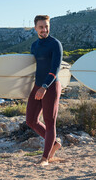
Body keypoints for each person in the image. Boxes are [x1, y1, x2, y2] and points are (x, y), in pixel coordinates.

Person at [26, 15, 63, 166]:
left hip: (51, 86)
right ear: (35, 28)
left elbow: (55, 68)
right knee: (30, 120)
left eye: (47, 26)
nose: (44, 29)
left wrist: (45, 87)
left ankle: (45, 158)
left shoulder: (55, 44)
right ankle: (54, 143)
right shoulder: (34, 46)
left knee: (49, 121)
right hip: (37, 85)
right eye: (41, 27)